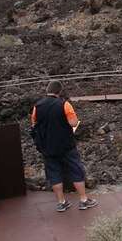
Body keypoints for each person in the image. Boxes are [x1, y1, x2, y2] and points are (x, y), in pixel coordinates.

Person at [30, 81, 98, 212]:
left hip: (47, 147)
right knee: (75, 170)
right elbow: (73, 123)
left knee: (54, 174)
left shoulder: (37, 107)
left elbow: (34, 125)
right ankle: (83, 200)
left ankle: (61, 202)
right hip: (66, 145)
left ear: (47, 90)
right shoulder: (64, 105)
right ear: (59, 91)